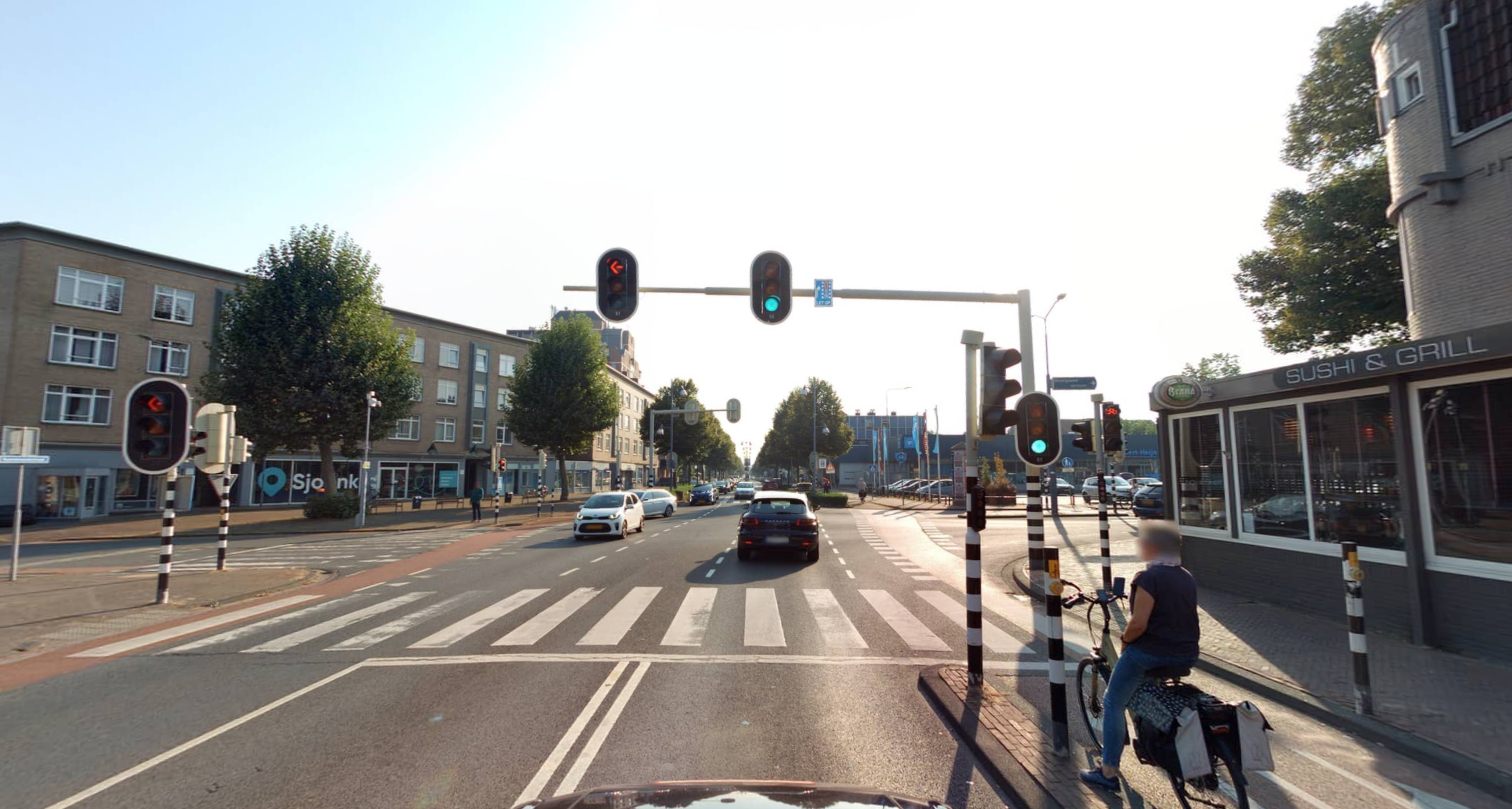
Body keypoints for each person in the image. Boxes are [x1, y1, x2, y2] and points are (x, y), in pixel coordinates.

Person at [1079, 520, 1200, 793]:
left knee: (1112, 702)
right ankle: (1158, 741)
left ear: (1154, 547)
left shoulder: (1148, 579)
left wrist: (1125, 640)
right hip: (1187, 653)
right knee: (1152, 694)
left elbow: (1138, 624)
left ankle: (1108, 772)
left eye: (1143, 541)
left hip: (1151, 653)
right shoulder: (1186, 576)